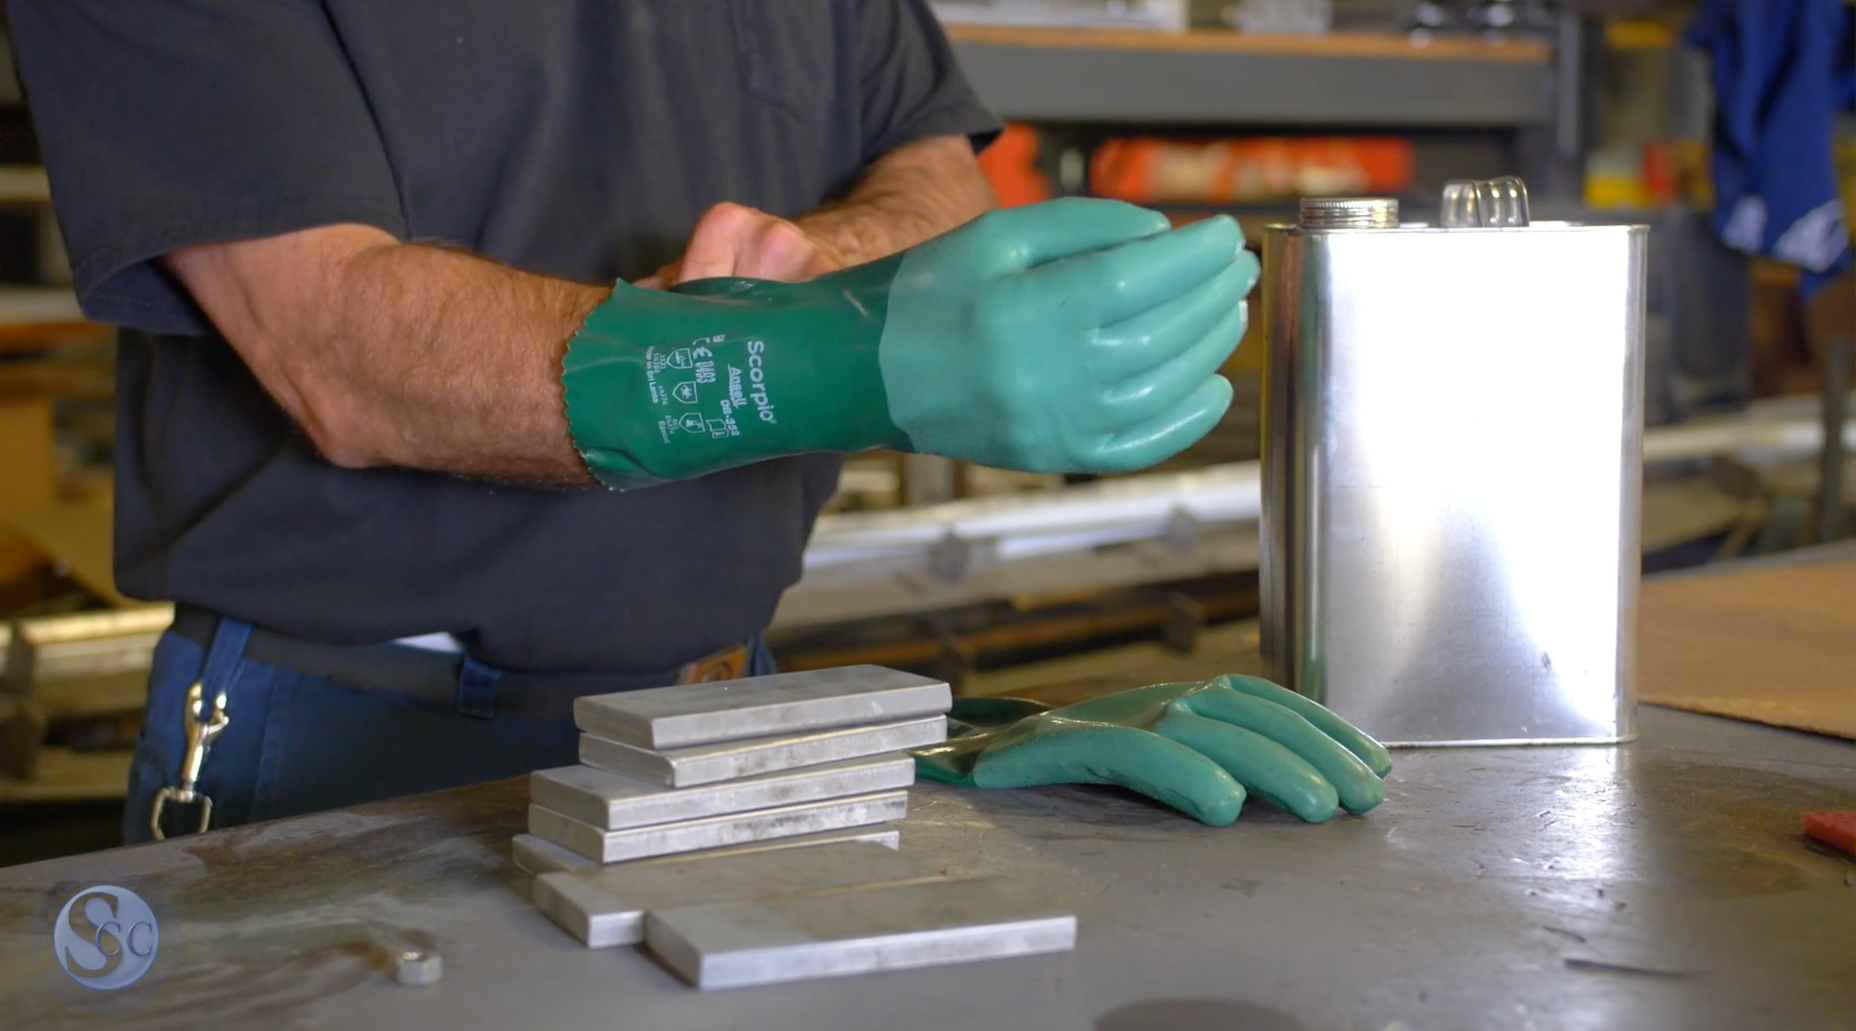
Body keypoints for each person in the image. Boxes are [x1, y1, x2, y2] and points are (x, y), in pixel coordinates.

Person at [7, 0, 1263, 843]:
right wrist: (806, 351)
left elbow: (928, 167)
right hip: (345, 733)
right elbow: (334, 347)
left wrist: (815, 272)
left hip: (733, 705)